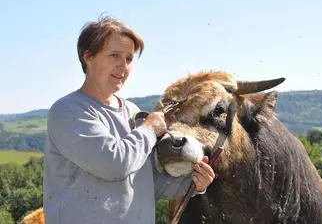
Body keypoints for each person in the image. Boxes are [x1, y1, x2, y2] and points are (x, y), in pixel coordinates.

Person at [43, 15, 215, 224]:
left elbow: (148, 183)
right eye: (114, 55)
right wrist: (149, 129)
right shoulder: (68, 111)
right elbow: (114, 165)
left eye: (129, 58)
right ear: (88, 56)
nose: (123, 66)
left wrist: (194, 183)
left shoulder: (133, 112)